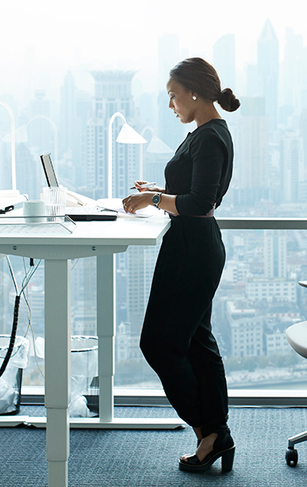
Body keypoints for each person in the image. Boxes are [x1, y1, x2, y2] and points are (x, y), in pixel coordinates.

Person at [122, 57, 240, 473]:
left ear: (193, 91)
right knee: (197, 343)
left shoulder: (210, 137)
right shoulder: (204, 134)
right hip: (189, 245)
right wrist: (156, 190)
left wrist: (155, 200)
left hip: (194, 249)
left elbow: (200, 202)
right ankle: (215, 432)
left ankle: (211, 432)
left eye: (173, 95)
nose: (171, 104)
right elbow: (189, 191)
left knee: (159, 345)